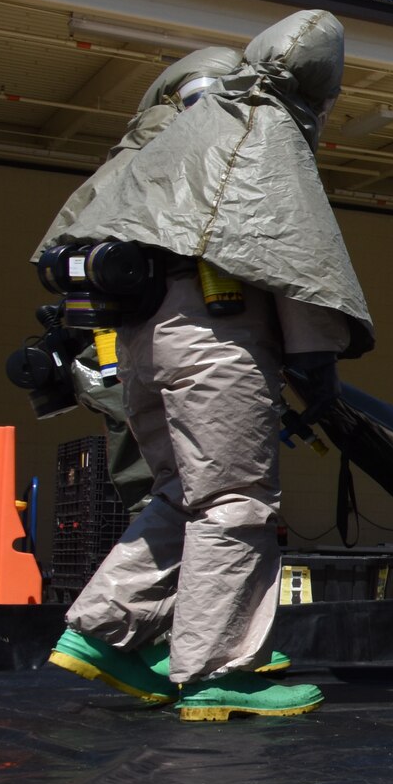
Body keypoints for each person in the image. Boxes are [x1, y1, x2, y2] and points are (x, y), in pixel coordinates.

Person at [37, 10, 373, 720]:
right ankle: (221, 669)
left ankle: (105, 632)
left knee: (180, 494)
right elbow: (288, 254)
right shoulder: (261, 124)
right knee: (235, 500)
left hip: (139, 340)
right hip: (217, 337)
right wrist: (314, 362)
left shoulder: (162, 142)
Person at [61, 46, 247, 518]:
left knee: (166, 496)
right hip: (168, 338)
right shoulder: (195, 160)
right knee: (217, 500)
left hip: (131, 342)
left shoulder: (122, 166)